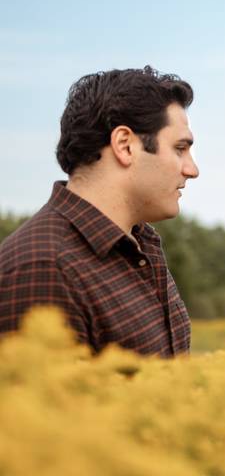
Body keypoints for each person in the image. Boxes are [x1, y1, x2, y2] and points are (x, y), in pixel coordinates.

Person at [0, 66, 198, 357]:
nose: (192, 170)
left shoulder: (139, 245)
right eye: (180, 148)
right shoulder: (43, 268)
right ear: (125, 146)